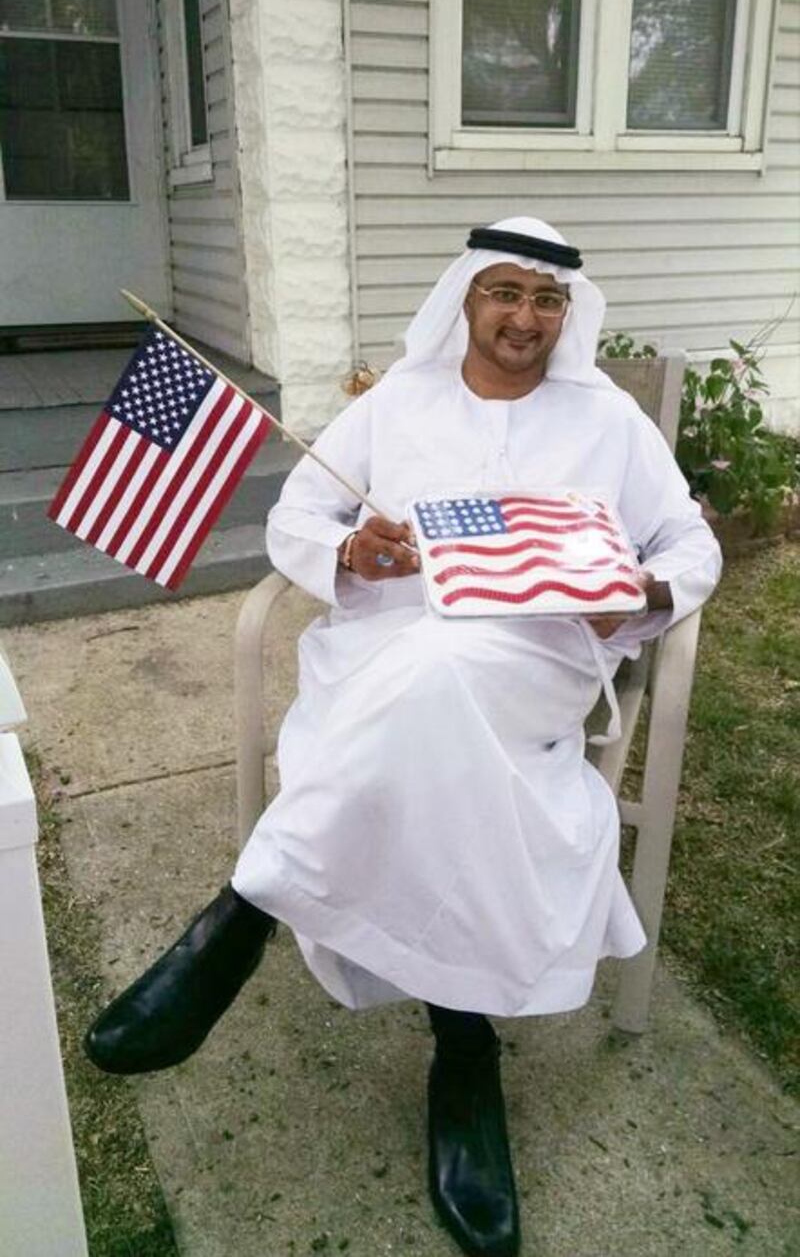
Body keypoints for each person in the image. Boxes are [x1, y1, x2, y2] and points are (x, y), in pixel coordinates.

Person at [85, 216, 722, 1257]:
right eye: (503, 292)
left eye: (546, 300)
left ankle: (241, 913)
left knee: (442, 680)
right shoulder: (397, 403)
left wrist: (650, 588)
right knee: (423, 690)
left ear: (568, 314)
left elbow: (686, 542)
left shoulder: (606, 421)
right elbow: (295, 518)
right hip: (384, 641)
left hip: (531, 653)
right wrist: (353, 548)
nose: (524, 317)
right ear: (465, 299)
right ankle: (462, 1056)